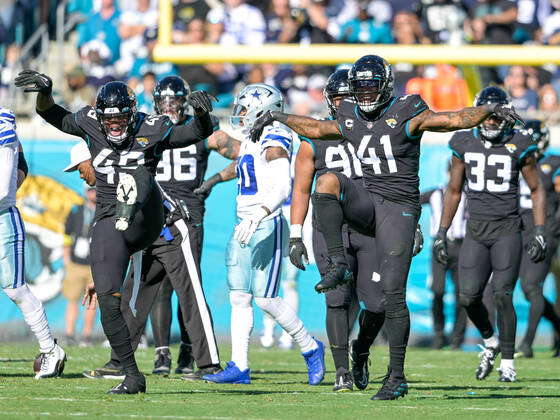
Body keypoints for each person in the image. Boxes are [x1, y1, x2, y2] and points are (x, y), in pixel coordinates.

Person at [249, 54, 524, 400]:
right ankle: (337, 265)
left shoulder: (406, 112)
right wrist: (277, 116)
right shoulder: (348, 114)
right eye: (359, 88)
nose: (364, 95)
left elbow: (452, 118)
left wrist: (486, 111)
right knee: (329, 181)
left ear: (385, 86)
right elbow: (318, 129)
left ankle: (395, 375)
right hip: (367, 200)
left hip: (399, 208)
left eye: (370, 86)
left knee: (392, 295)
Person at [15, 69, 216, 394]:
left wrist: (204, 115)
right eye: (110, 122)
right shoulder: (89, 122)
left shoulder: (151, 127)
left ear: (131, 114)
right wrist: (45, 92)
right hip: (110, 220)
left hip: (147, 217)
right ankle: (133, 376)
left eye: (121, 120)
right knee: (108, 301)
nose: (115, 126)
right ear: (101, 118)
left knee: (138, 173)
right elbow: (52, 114)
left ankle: (129, 196)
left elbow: (193, 132)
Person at [82, 76, 237, 380]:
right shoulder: (137, 128)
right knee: (136, 290)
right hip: (146, 216)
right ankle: (124, 358)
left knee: (189, 289)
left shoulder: (188, 132)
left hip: (180, 216)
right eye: (164, 102)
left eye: (176, 101)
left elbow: (243, 152)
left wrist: (212, 181)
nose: (170, 107)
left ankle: (205, 362)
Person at [202, 83, 325, 386]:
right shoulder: (254, 138)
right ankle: (240, 366)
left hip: (266, 221)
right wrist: (215, 178)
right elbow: (240, 160)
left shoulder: (275, 136)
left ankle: (310, 347)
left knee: (267, 299)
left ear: (262, 111)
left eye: (245, 110)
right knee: (239, 297)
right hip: (244, 221)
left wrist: (259, 214)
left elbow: (282, 185)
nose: (241, 115)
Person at [433, 87, 546, 383]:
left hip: (507, 229)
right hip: (476, 230)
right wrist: (441, 232)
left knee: (502, 295)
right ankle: (491, 341)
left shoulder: (519, 142)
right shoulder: (463, 141)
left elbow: (536, 189)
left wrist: (539, 230)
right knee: (468, 297)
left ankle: (508, 361)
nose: (492, 122)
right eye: (488, 115)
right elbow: (454, 191)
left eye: (497, 116)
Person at [288, 69, 385, 392]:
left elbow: (395, 183)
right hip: (330, 229)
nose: (344, 104)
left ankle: (361, 350)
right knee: (337, 299)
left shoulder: (376, 130)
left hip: (370, 225)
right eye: (339, 98)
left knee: (377, 303)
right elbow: (301, 189)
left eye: (350, 98)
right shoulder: (314, 136)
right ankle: (342, 369)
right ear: (329, 101)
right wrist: (295, 233)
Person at [0, 107, 66, 379]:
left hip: (2, 218)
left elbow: (4, 186)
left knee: (15, 290)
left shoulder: (3, 124)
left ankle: (50, 349)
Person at [516, 120, 560, 358]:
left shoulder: (553, 164)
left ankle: (527, 343)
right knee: (522, 289)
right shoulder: (516, 160)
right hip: (519, 232)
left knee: (532, 287)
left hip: (545, 232)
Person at [420, 168, 467, 350]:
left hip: (461, 246)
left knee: (462, 294)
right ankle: (439, 334)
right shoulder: (435, 193)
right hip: (440, 245)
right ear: (448, 173)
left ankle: (457, 337)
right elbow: (410, 202)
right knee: (437, 290)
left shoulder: (469, 195)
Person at [62, 143, 97, 347]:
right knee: (73, 299)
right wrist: (66, 259)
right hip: (76, 262)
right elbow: (67, 236)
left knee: (91, 301)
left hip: (94, 262)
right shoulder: (76, 211)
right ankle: (69, 333)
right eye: (89, 191)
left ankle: (86, 335)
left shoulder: (103, 209)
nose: (92, 193)